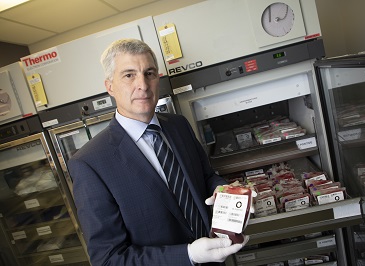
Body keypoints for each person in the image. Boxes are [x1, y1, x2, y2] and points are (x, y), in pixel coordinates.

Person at [68, 38, 249, 265]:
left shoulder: (178, 125)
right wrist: (189, 255)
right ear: (110, 86)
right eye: (129, 75)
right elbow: (108, 259)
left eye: (149, 73)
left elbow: (206, 177)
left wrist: (226, 195)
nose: (142, 85)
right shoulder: (90, 163)